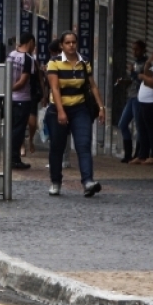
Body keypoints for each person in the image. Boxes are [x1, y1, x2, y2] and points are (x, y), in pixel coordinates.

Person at [45, 31, 105, 197]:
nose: (71, 45)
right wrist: (61, 111)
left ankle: (88, 182)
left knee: (83, 144)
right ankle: (55, 181)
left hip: (80, 109)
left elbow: (92, 86)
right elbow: (55, 88)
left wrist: (101, 107)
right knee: (57, 147)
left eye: (73, 42)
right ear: (62, 46)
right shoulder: (54, 63)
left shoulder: (84, 62)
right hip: (58, 109)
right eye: (67, 43)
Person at [7, 33, 37, 170]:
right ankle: (14, 159)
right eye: (34, 44)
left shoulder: (11, 55)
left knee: (12, 128)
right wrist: (12, 89)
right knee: (18, 130)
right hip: (22, 99)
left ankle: (11, 157)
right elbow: (23, 81)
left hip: (10, 100)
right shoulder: (28, 59)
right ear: (30, 42)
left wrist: (6, 90)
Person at [117, 40, 148, 163]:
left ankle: (139, 153)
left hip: (140, 97)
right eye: (133, 49)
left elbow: (143, 81)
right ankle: (128, 153)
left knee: (140, 126)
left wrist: (133, 73)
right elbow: (133, 80)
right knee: (122, 124)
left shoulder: (146, 64)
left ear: (143, 50)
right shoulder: (135, 63)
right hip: (131, 96)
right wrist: (124, 81)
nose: (134, 52)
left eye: (137, 49)